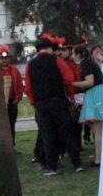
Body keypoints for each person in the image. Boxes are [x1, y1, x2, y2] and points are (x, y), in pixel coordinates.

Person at [25, 34, 83, 176]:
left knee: (47, 135)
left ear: (38, 50)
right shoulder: (57, 60)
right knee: (67, 132)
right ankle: (77, 163)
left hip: (41, 104)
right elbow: (68, 78)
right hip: (58, 101)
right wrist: (70, 96)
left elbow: (28, 88)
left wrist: (34, 103)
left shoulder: (30, 65)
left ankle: (51, 166)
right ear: (50, 48)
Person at [72, 44, 103, 167]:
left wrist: (73, 84)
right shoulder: (90, 62)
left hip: (95, 94)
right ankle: (100, 156)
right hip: (98, 93)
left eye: (73, 53)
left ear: (79, 54)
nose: (72, 56)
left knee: (97, 130)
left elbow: (89, 81)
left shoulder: (85, 63)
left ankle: (99, 160)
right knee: (98, 128)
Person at [0, 45, 23, 145]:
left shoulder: (14, 70)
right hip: (0, 104)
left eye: (6, 58)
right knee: (2, 126)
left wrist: (19, 98)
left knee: (11, 125)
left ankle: (12, 146)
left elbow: (20, 85)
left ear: (9, 58)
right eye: (2, 58)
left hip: (12, 102)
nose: (4, 60)